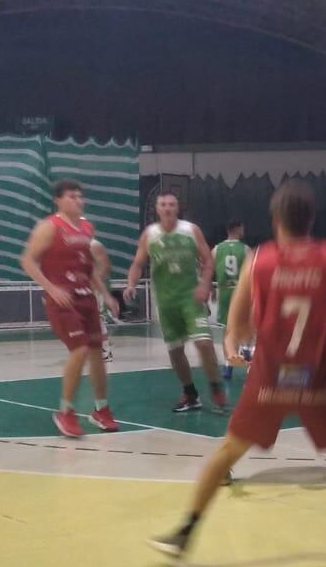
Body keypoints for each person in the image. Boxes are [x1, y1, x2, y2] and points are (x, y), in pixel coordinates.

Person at [146, 179, 326, 567]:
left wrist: (231, 345)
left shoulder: (258, 260)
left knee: (226, 454)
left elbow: (239, 327)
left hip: (270, 376)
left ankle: (184, 532)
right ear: (311, 219)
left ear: (275, 219)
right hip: (319, 378)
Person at [20, 179, 120, 438]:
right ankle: (65, 412)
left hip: (86, 297)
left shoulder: (87, 227)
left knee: (98, 352)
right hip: (62, 299)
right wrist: (51, 288)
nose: (77, 200)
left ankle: (101, 409)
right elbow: (28, 261)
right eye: (71, 196)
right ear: (58, 200)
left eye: (80, 196)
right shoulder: (49, 226)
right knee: (81, 349)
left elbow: (88, 268)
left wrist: (106, 295)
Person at [123, 192, 227, 412]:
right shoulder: (150, 234)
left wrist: (205, 284)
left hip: (190, 298)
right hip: (166, 301)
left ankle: (216, 388)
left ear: (177, 208)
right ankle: (190, 394)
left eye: (172, 204)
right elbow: (138, 263)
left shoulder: (191, 230)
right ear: (157, 209)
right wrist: (131, 283)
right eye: (163, 204)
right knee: (175, 351)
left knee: (204, 343)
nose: (168, 208)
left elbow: (208, 260)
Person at [212, 220, 250, 380]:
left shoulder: (217, 249)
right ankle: (247, 351)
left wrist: (211, 289)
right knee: (246, 326)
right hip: (241, 293)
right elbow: (252, 272)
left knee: (227, 331)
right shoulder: (246, 249)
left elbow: (208, 269)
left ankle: (228, 366)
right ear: (238, 229)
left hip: (225, 293)